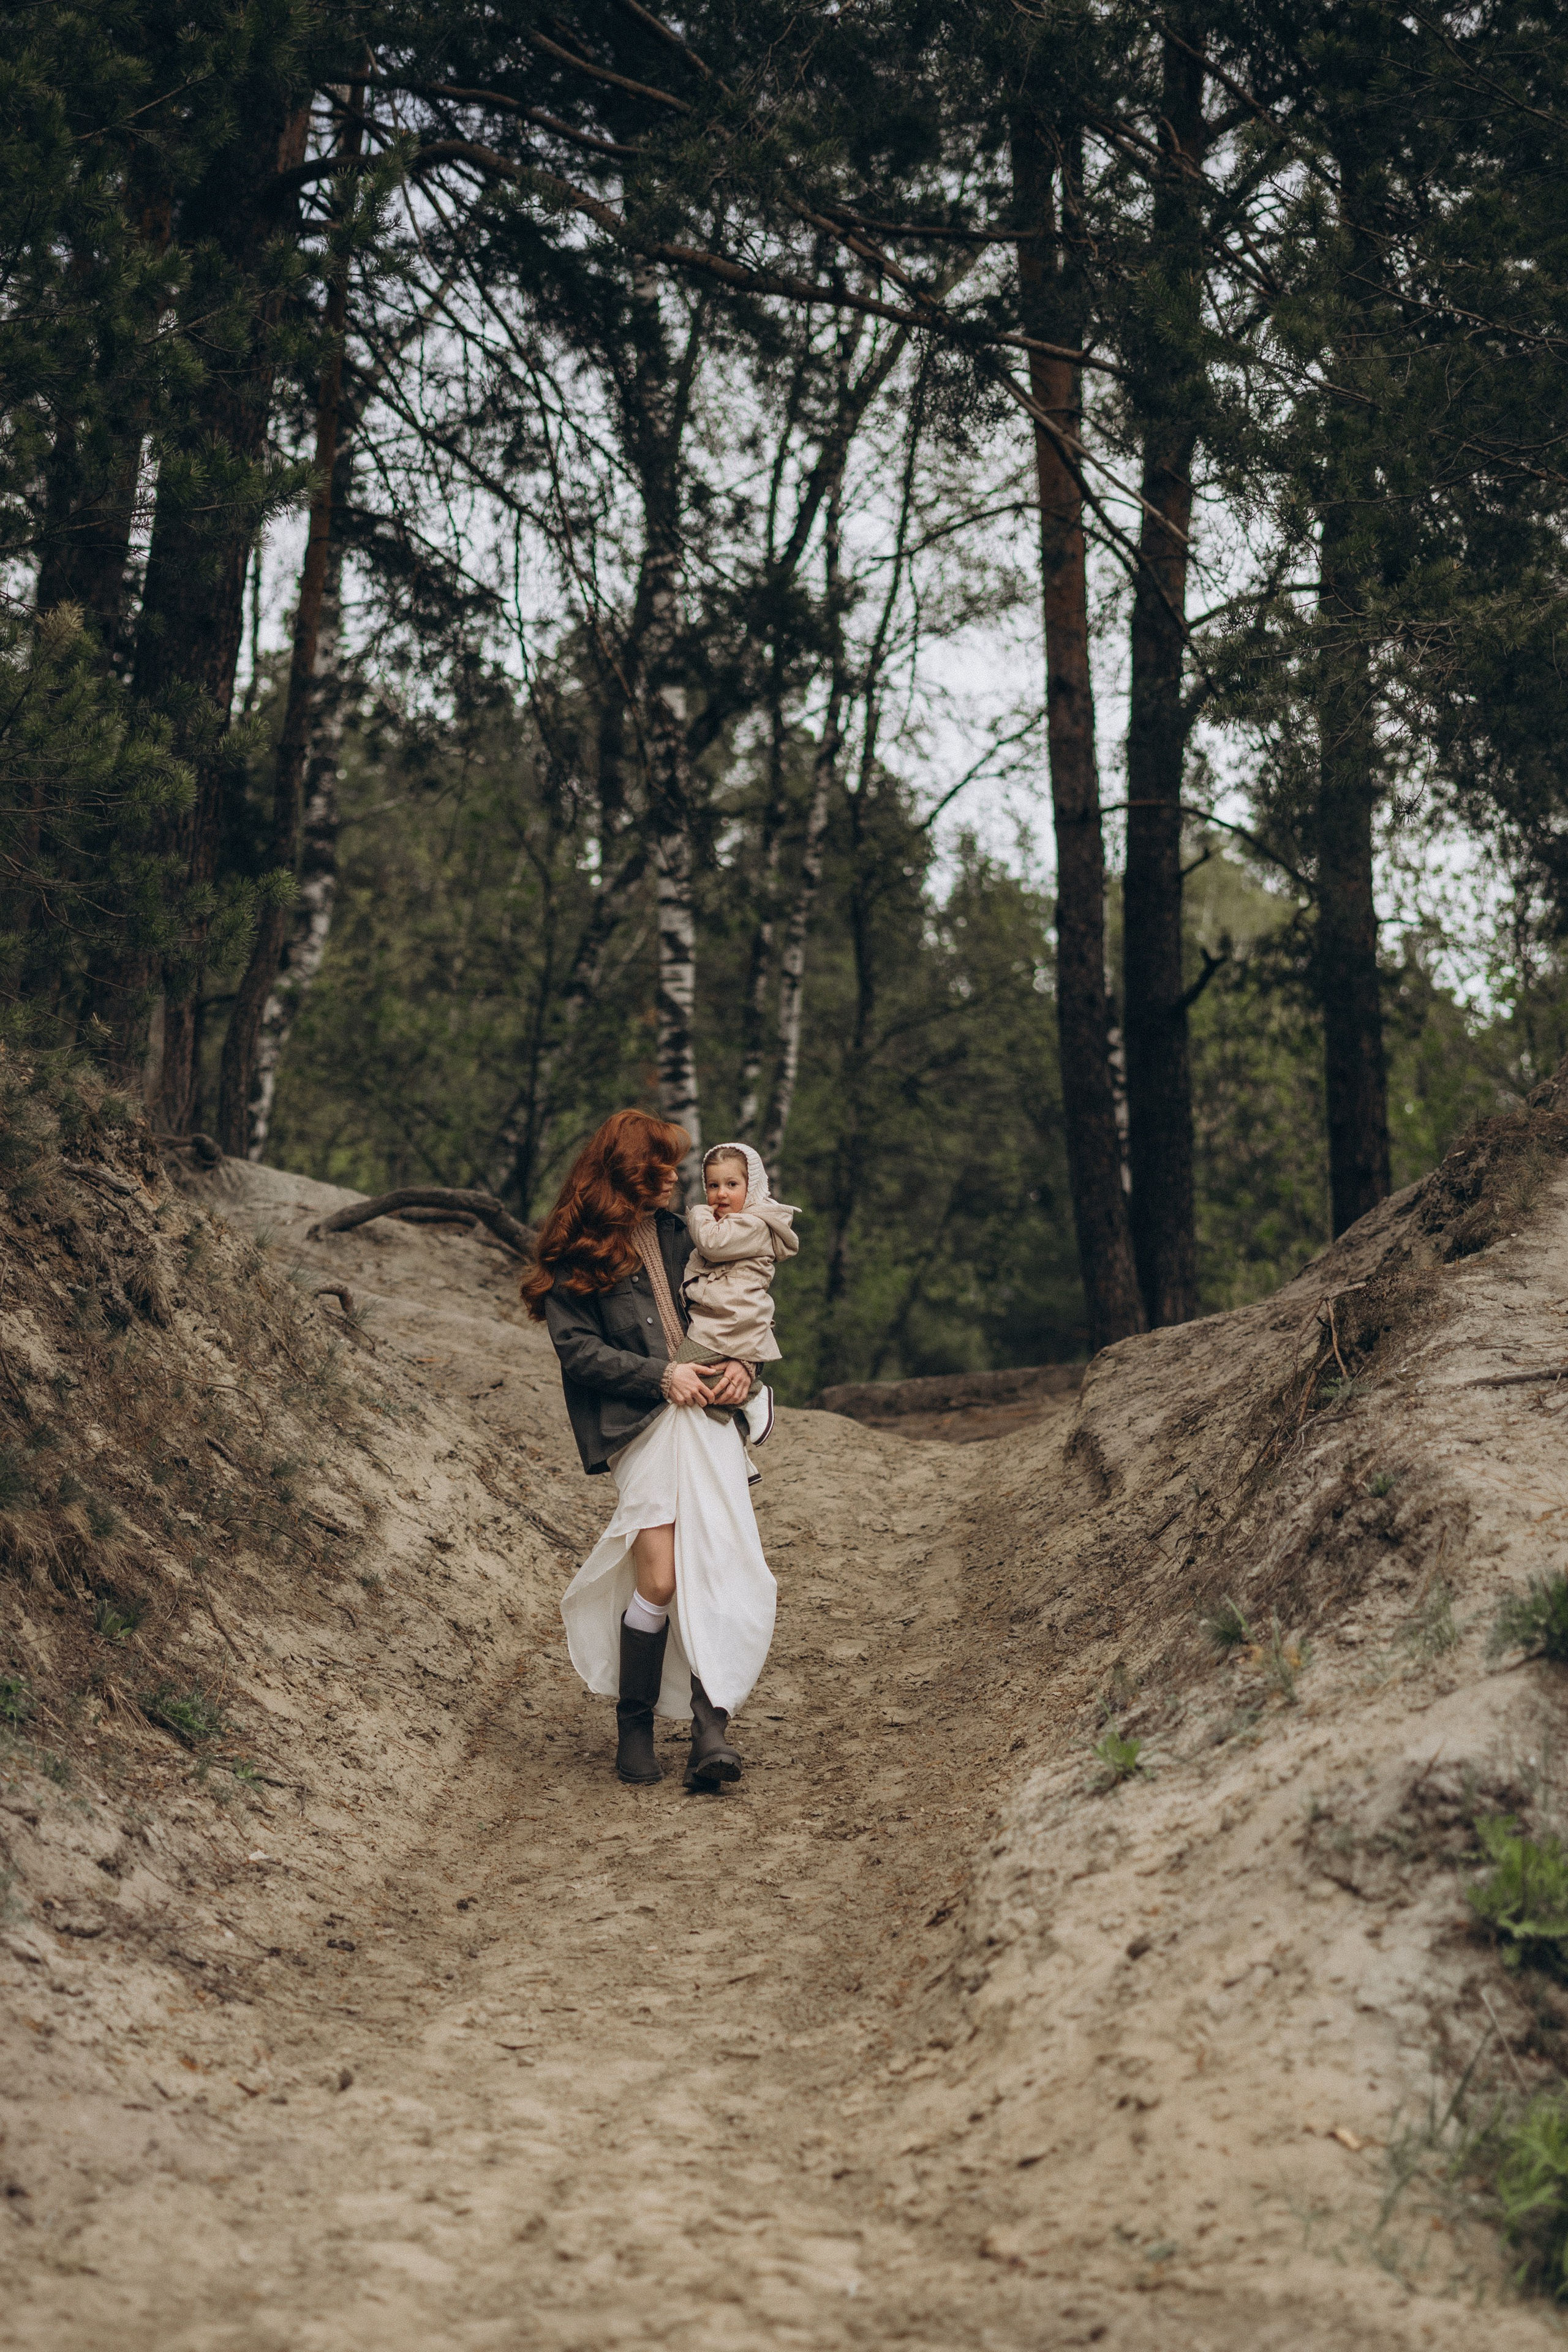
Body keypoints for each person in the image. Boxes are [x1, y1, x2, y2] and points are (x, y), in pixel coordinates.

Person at [521, 1110, 777, 1792]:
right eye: (659, 1166)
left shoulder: (685, 1234)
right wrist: (661, 1376)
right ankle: (633, 1721)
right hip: (639, 1425)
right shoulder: (576, 1251)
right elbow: (576, 1352)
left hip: (709, 1420)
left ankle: (709, 1728)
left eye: (674, 1167)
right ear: (626, 1169)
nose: (674, 1178)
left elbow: (739, 1308)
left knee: (714, 1570)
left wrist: (744, 1369)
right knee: (659, 1581)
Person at [673, 1142, 798, 1458]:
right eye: (713, 1186)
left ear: (751, 1187)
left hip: (734, 1317)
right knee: (708, 1391)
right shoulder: (733, 1223)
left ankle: (755, 1395)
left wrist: (698, 1210)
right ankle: (735, 1453)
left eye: (732, 1185)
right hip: (722, 1317)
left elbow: (712, 1245)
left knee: (686, 1369)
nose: (721, 1194)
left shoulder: (753, 1224)